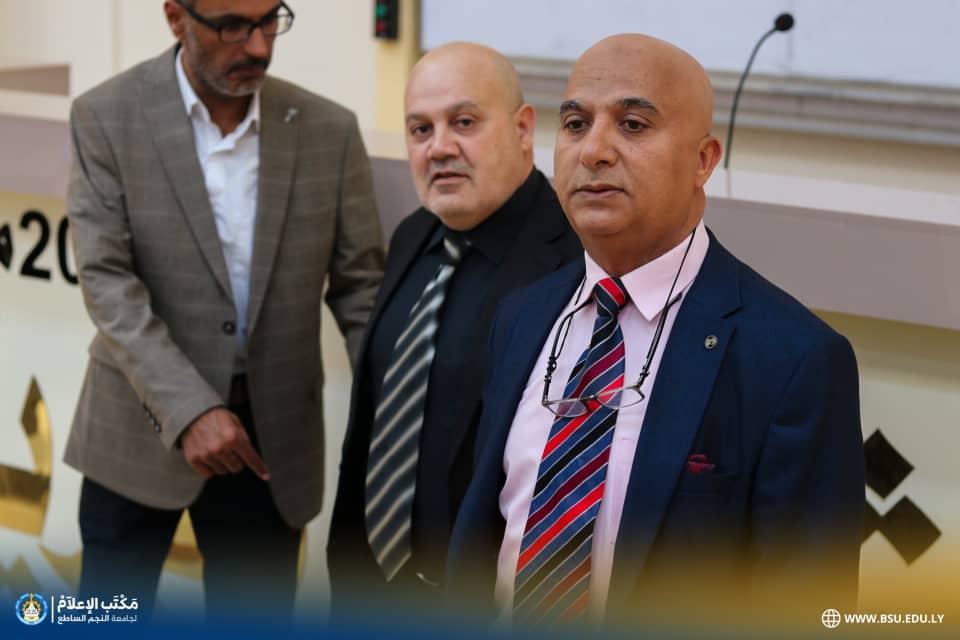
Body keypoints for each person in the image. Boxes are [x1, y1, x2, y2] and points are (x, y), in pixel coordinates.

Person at [447, 34, 864, 630]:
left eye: (633, 125)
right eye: (575, 123)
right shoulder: (522, 316)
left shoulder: (795, 361)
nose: (594, 151)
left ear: (703, 161)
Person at [64, 0, 384, 621]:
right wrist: (189, 407)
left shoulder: (329, 129)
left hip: (271, 441)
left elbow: (359, 287)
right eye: (232, 26)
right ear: (175, 18)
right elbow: (107, 279)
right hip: (137, 425)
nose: (259, 46)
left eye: (270, 21)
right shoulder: (106, 116)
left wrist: (396, 410)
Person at [327, 42, 581, 615]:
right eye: (421, 129)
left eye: (463, 122)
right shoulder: (414, 235)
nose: (439, 147)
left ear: (522, 129)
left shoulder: (574, 263)